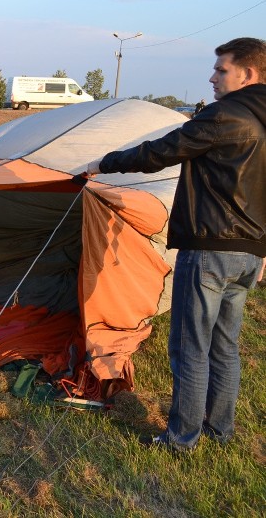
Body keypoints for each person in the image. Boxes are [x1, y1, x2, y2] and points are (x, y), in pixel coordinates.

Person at [84, 37, 265, 451]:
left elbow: (162, 152)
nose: (212, 77)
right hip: (248, 253)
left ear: (248, 74)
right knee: (225, 346)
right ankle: (219, 431)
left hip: (210, 249)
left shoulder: (225, 116)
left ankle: (181, 439)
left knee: (190, 347)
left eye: (221, 69)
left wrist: (105, 162)